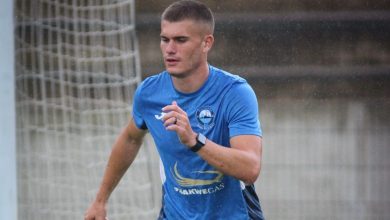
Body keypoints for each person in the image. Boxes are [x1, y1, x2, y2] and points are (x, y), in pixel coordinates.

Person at [84, 0, 264, 219]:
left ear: (206, 43)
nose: (170, 49)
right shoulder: (149, 93)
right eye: (164, 39)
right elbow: (130, 138)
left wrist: (194, 140)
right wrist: (100, 200)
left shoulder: (235, 93)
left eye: (180, 40)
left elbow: (250, 169)